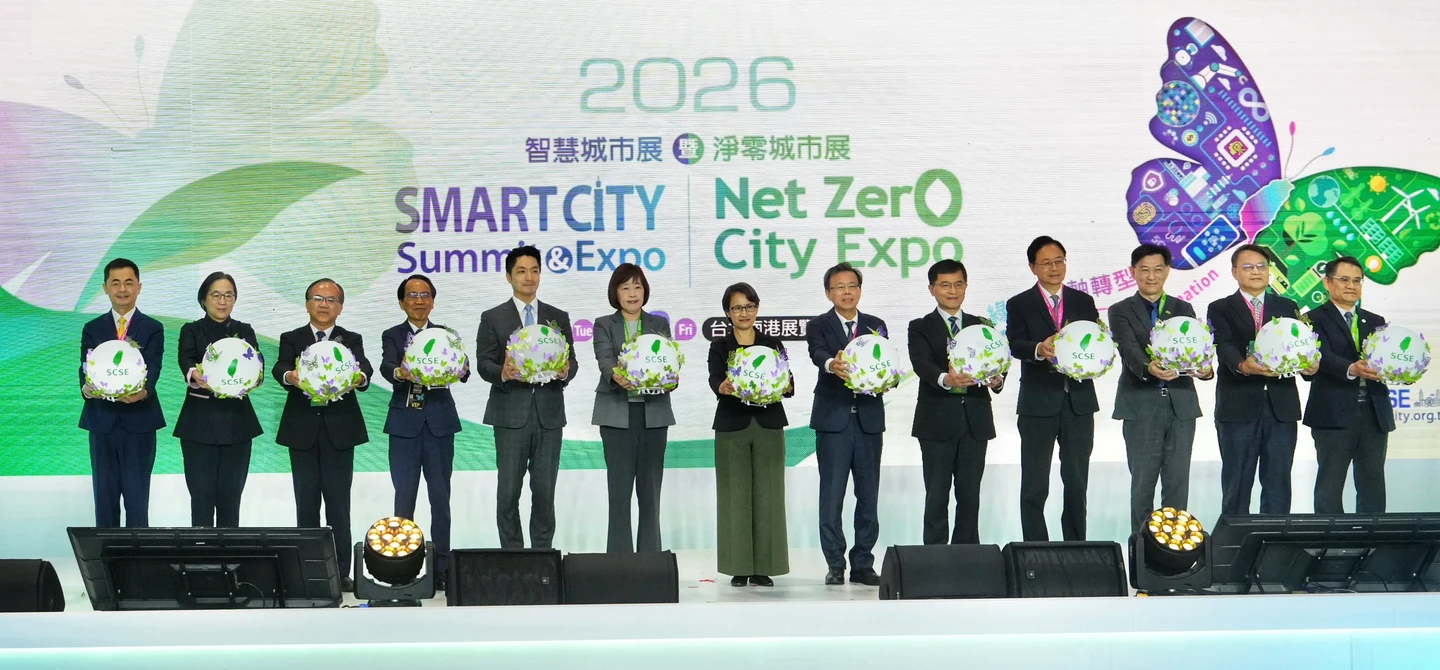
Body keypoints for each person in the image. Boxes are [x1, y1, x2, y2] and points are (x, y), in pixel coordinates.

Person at [272, 278, 373, 592]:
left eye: (331, 299)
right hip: (302, 430)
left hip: (340, 431)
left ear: (340, 307)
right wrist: (290, 376)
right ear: (307, 304)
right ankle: (306, 572)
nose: (324, 304)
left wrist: (359, 377)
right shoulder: (292, 337)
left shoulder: (351, 339)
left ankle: (341, 572)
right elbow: (280, 367)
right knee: (306, 504)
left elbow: (365, 370)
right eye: (318, 298)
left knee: (338, 506)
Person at [476, 245, 577, 549]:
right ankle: (513, 557)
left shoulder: (557, 317)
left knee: (545, 493)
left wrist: (565, 372)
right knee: (508, 492)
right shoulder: (493, 317)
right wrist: (504, 373)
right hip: (510, 416)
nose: (529, 277)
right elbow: (484, 363)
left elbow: (572, 363)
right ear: (509, 276)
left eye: (534, 270)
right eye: (521, 271)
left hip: (549, 416)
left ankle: (542, 557)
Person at [1208, 244, 1317, 515]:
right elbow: (1224, 345)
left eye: (1261, 266)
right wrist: (1242, 365)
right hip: (1238, 406)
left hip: (1281, 407)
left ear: (1269, 271)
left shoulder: (1288, 306)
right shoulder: (1220, 307)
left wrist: (1310, 365)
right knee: (1236, 483)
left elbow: (1300, 343)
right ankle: (1234, 540)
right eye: (1247, 267)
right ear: (1235, 272)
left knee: (1278, 482)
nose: (1255, 272)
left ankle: (1276, 541)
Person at [1110, 244, 1212, 531]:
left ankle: (1175, 548)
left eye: (1157, 269)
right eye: (1144, 270)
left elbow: (1194, 347)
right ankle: (1142, 550)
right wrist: (1148, 368)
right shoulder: (1120, 310)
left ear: (1167, 271)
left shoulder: (1183, 308)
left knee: (1178, 484)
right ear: (1133, 272)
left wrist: (1205, 369)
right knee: (1142, 485)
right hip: (1140, 406)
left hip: (1181, 405)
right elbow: (1128, 349)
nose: (1151, 276)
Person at [1005, 236, 1100, 541]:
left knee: (1077, 483)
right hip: (1038, 403)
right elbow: (1015, 344)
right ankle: (1035, 551)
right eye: (1046, 263)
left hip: (1079, 403)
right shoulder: (1019, 303)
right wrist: (1038, 349)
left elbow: (1096, 342)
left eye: (1059, 261)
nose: (1054, 267)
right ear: (1033, 267)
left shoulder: (1083, 301)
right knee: (1034, 484)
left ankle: (1077, 547)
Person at [907, 259, 1005, 545]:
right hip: (936, 421)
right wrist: (946, 379)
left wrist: (996, 379)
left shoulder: (981, 325)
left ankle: (967, 555)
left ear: (966, 286)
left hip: (975, 420)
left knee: (970, 494)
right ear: (932, 289)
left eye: (958, 284)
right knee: (936, 495)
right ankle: (935, 557)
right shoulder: (920, 327)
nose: (952, 291)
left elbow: (999, 361)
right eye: (945, 285)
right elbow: (921, 364)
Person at [381, 274, 469, 591]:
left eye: (425, 295)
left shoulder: (447, 335)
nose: (419, 300)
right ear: (402, 302)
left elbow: (465, 368)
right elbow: (387, 366)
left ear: (432, 300)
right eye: (412, 295)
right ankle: (402, 567)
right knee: (404, 499)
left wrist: (461, 368)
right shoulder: (393, 334)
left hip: (440, 423)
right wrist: (399, 371)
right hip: (404, 425)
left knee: (440, 499)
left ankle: (442, 568)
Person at [807, 262, 887, 586]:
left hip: (868, 421)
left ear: (860, 290)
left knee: (868, 496)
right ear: (829, 293)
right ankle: (835, 564)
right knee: (832, 497)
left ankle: (863, 563)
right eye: (839, 287)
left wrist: (888, 378)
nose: (847, 292)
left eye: (852, 286)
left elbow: (884, 360)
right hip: (833, 421)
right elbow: (817, 352)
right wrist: (831, 364)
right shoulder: (818, 324)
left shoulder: (875, 325)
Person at [709, 283, 792, 586]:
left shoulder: (772, 342)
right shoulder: (720, 346)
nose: (744, 313)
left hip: (768, 423)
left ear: (757, 309)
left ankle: (764, 567)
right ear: (728, 313)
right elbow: (715, 379)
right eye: (737, 308)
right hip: (733, 424)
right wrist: (723, 386)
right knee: (734, 495)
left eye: (749, 306)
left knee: (770, 495)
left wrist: (786, 384)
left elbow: (789, 381)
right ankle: (739, 566)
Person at [591, 263, 675, 553]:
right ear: (616, 293)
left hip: (653, 416)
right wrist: (615, 374)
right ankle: (619, 562)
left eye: (637, 287)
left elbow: (668, 362)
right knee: (619, 493)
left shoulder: (659, 324)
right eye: (625, 287)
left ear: (645, 291)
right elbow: (604, 358)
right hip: (617, 416)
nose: (632, 293)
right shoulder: (604, 324)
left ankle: (650, 560)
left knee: (650, 494)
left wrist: (671, 377)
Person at [1303, 256, 1394, 514]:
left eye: (1357, 281)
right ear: (1327, 283)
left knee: (1372, 484)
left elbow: (1386, 357)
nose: (1351, 286)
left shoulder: (1375, 320)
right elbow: (1319, 354)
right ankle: (1330, 539)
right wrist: (1350, 368)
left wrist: (1400, 370)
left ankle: (1372, 537)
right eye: (1344, 280)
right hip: (1332, 413)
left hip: (1374, 413)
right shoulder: (1311, 319)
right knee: (1330, 485)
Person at [174, 271, 263, 527]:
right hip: (198, 425)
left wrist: (255, 377)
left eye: (228, 295)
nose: (222, 301)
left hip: (238, 424)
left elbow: (258, 365)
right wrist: (194, 374)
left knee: (231, 501)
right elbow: (186, 358)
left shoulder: (244, 330)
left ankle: (230, 553)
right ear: (204, 299)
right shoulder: (191, 330)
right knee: (201, 501)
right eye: (216, 295)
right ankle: (201, 552)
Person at [79, 258, 163, 527]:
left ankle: (137, 555)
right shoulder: (92, 328)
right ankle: (106, 554)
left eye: (129, 282)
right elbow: (85, 368)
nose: (122, 289)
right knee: (104, 498)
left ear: (139, 287)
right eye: (115, 283)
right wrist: (87, 389)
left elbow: (154, 367)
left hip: (139, 422)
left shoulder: (152, 327)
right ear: (105, 288)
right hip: (101, 421)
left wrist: (144, 392)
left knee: (137, 500)